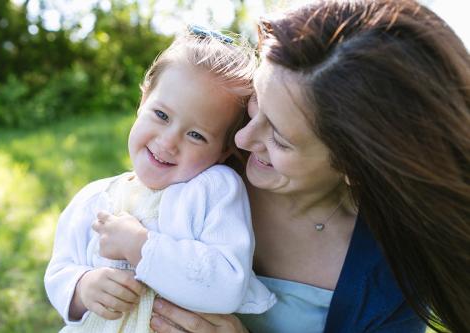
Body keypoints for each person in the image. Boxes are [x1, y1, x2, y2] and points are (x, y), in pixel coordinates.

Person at [91, 1, 468, 332]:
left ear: (353, 164)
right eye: (257, 102)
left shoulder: (389, 273)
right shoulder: (203, 158)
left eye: (281, 138)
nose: (242, 139)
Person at [44, 26, 277, 333]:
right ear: (142, 101)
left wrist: (143, 247)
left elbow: (228, 284)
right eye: (161, 115)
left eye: (196, 135)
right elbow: (59, 271)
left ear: (223, 150)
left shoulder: (215, 192)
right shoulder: (94, 199)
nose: (168, 142)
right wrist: (82, 287)